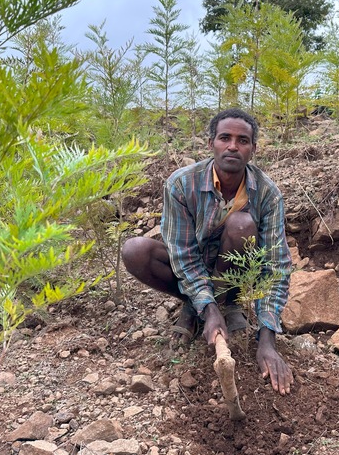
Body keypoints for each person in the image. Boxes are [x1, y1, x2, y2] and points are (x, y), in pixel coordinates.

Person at [122, 108, 293, 395]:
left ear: (253, 149)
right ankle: (196, 306)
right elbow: (183, 254)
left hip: (233, 274)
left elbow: (276, 266)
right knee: (135, 250)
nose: (233, 146)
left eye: (243, 140)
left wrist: (267, 342)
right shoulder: (181, 183)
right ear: (211, 142)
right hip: (193, 267)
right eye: (225, 138)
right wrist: (208, 307)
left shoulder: (267, 194)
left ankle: (231, 302)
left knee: (242, 224)